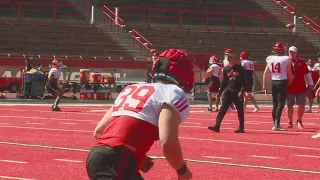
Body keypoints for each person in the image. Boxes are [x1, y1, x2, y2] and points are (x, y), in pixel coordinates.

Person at [86, 49, 193, 180]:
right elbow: (167, 142)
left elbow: (99, 131)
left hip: (96, 156)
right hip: (118, 161)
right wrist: (182, 170)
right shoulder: (172, 92)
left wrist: (136, 156)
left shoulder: (131, 88)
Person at [208, 53, 246, 133]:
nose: (233, 60)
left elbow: (244, 81)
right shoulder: (226, 69)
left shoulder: (240, 68)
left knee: (240, 110)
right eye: (231, 59)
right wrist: (220, 91)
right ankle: (217, 126)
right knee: (222, 109)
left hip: (237, 92)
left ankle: (241, 127)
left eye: (233, 59)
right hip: (228, 91)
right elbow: (224, 82)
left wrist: (242, 91)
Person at [262, 42, 292, 131]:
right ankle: (277, 124)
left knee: (275, 104)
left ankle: (275, 123)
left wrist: (264, 85)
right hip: (282, 81)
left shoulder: (270, 58)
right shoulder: (286, 59)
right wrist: (290, 81)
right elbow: (289, 72)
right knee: (281, 103)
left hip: (274, 82)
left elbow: (266, 73)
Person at [286, 46, 314, 129]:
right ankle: (290, 122)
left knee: (301, 105)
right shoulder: (285, 60)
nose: (292, 53)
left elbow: (307, 73)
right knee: (289, 105)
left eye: (293, 52)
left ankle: (299, 120)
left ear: (296, 52)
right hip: (289, 87)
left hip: (301, 87)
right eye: (290, 52)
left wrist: (311, 83)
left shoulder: (301, 61)